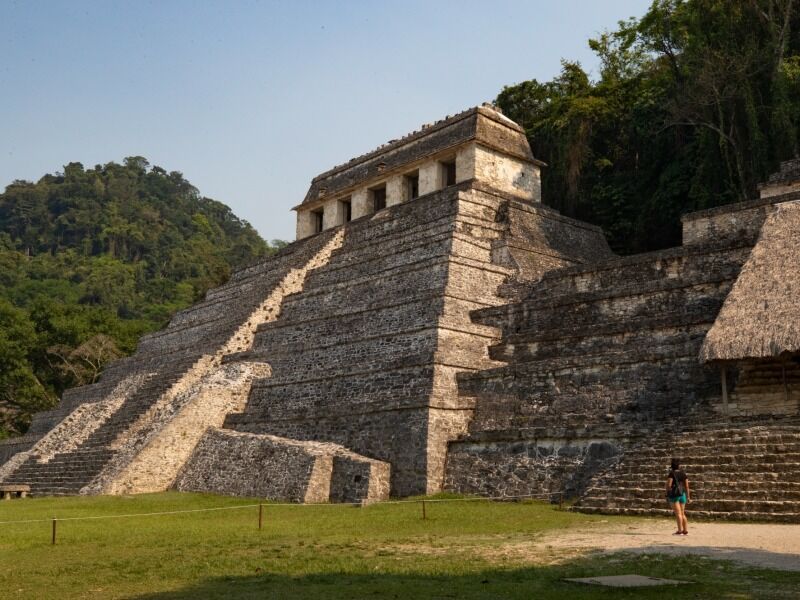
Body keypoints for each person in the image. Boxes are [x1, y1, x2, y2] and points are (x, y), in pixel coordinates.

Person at [666, 458, 690, 535]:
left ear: (672, 466)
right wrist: (688, 496)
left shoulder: (671, 474)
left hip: (675, 495)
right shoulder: (683, 474)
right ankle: (685, 530)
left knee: (678, 513)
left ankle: (679, 531)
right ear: (678, 466)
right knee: (682, 513)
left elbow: (669, 485)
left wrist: (668, 493)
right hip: (682, 494)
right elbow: (687, 486)